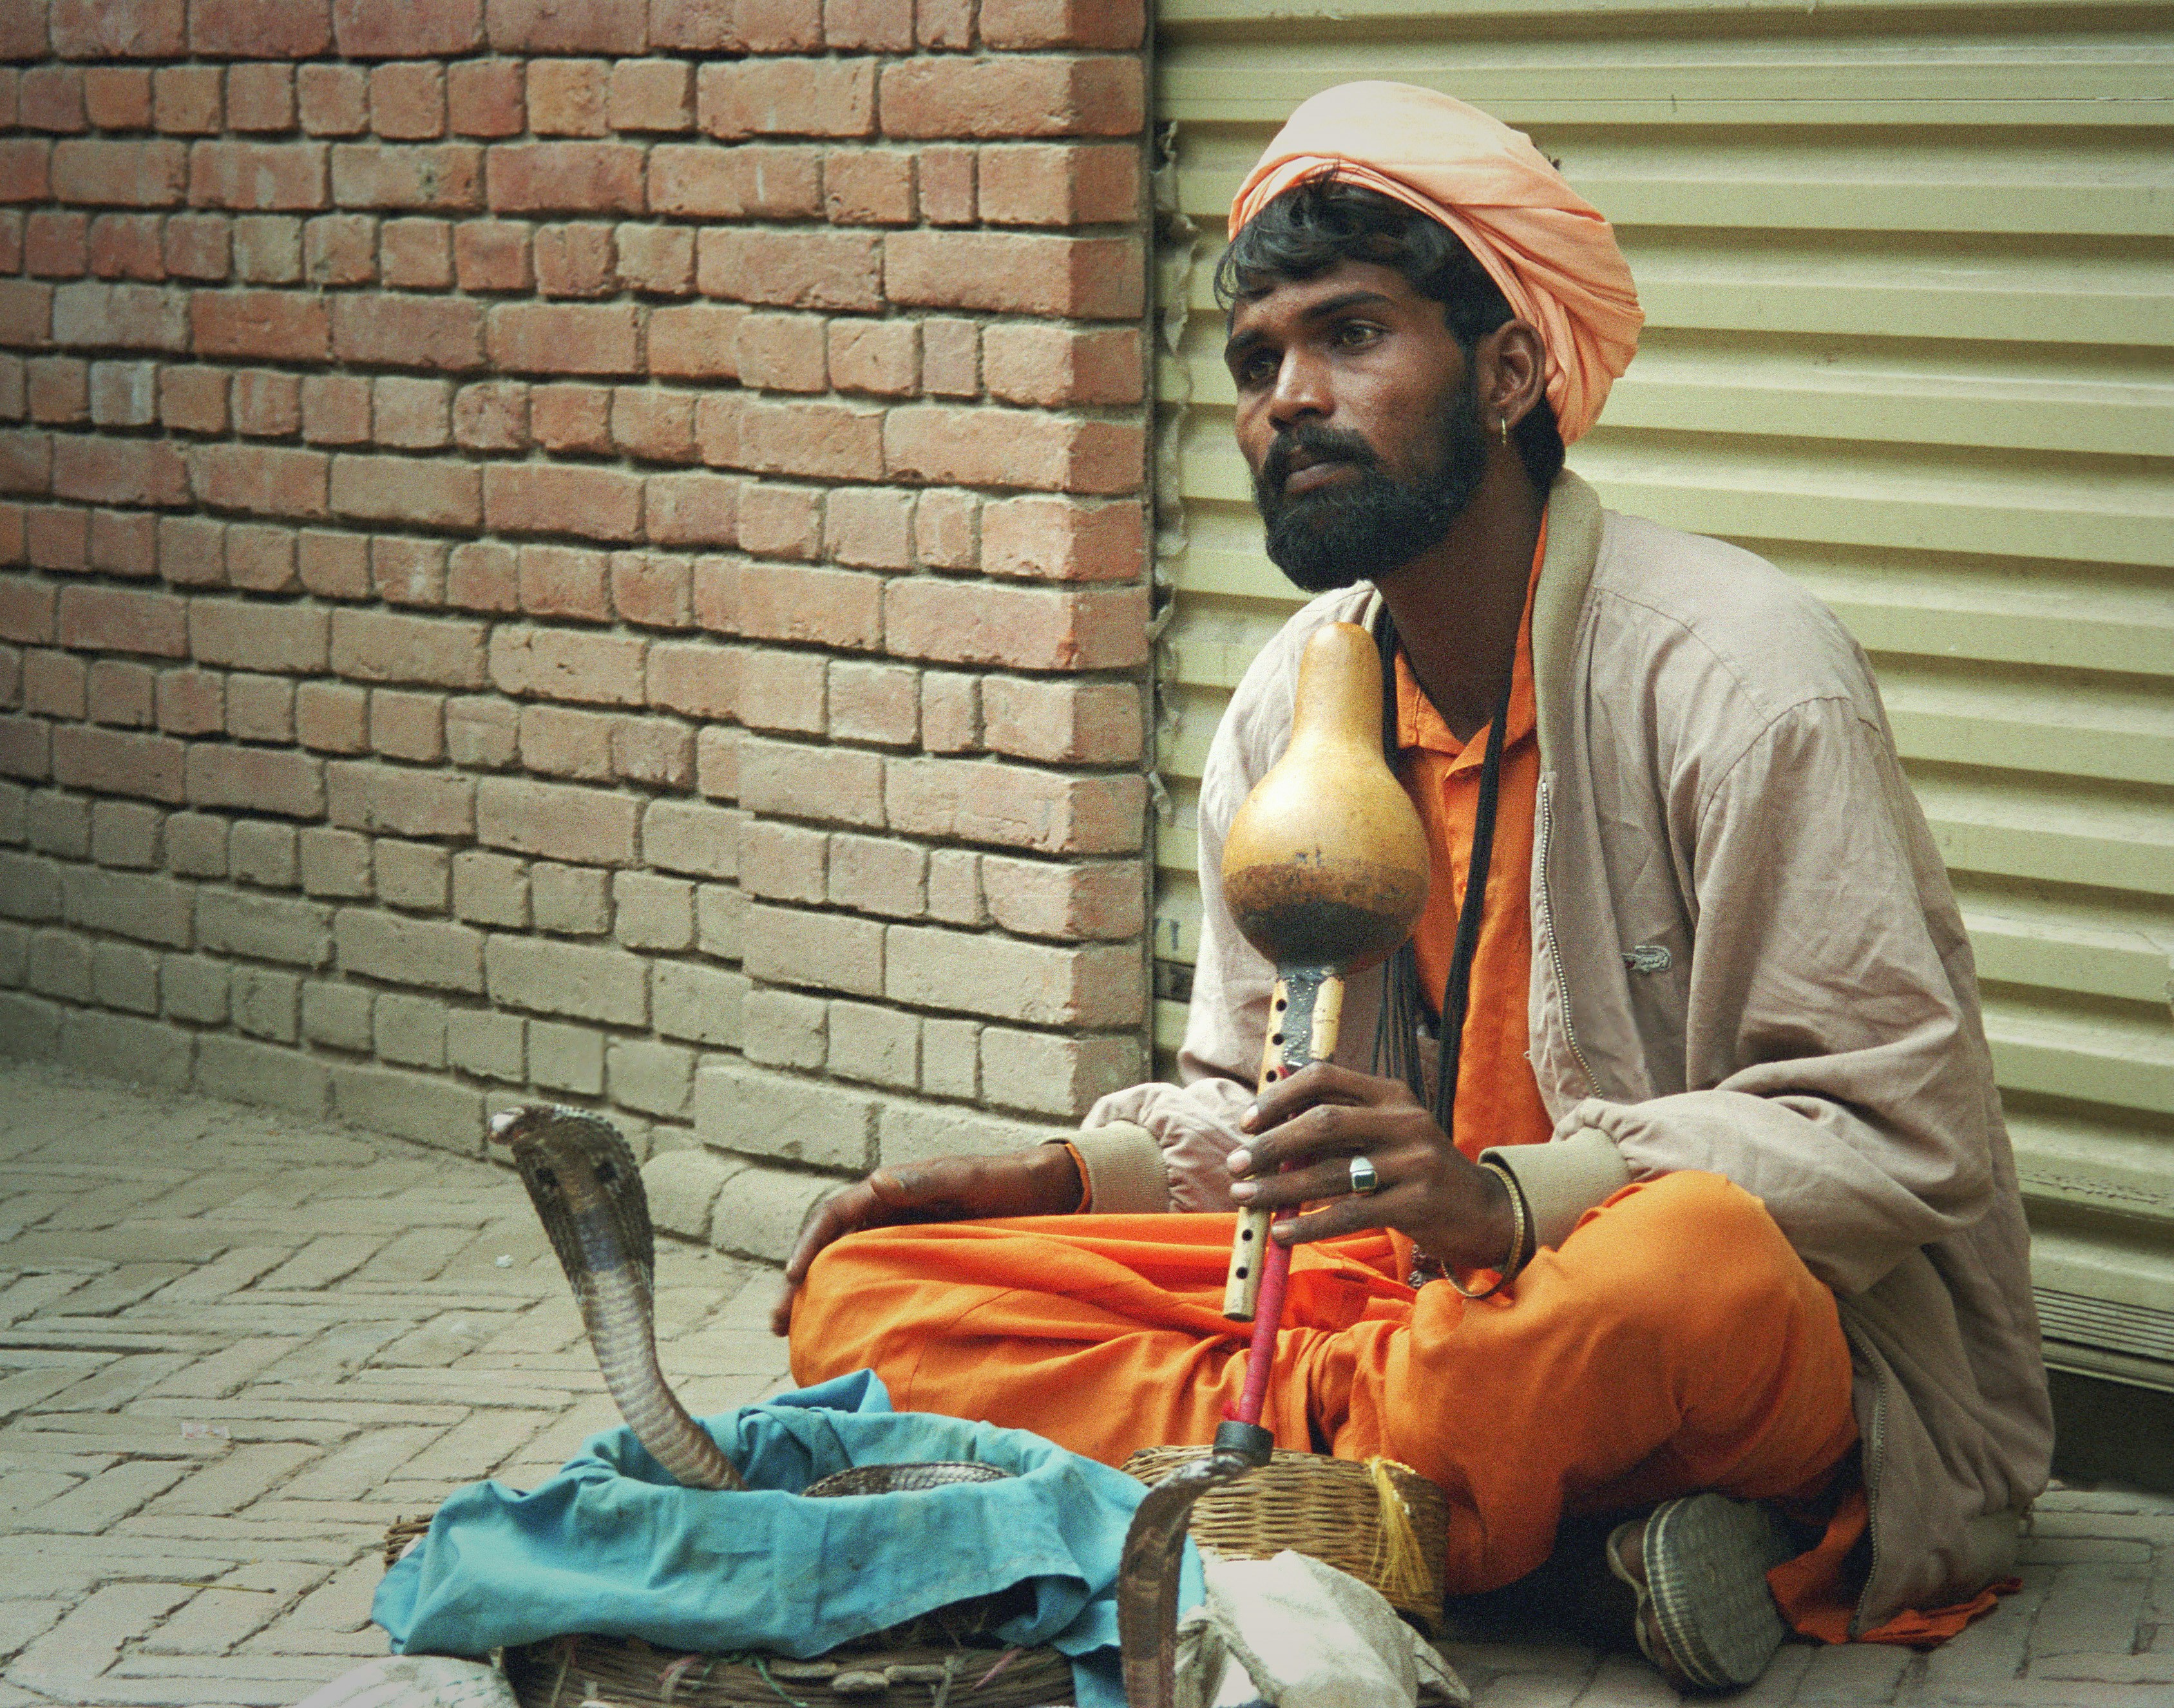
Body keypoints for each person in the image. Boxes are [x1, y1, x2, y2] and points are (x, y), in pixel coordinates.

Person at [776, 82, 2051, 1691]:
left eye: (1350, 336)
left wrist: (1507, 1196)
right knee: (869, 1294)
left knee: (1686, 1271)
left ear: (1510, 368)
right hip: (1396, 1316)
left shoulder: (1735, 675)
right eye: (1255, 363)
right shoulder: (1285, 704)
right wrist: (1059, 1177)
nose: (1286, 401)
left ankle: (1253, 1500)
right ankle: (1453, 1524)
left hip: (1709, 1332)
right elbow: (1255, 1121)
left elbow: (1897, 1140)